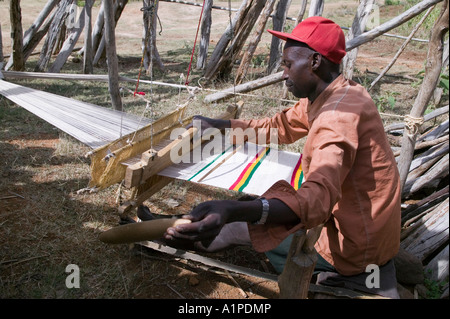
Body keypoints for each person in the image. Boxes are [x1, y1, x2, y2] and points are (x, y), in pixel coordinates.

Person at [163, 16, 402, 298]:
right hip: (367, 230)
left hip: (354, 246)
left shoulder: (338, 116)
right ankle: (176, 223)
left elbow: (317, 199)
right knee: (253, 206)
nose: (283, 74)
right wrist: (222, 126)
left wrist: (232, 211)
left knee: (238, 226)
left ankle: (176, 234)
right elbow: (280, 127)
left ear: (314, 61)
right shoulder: (336, 94)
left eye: (288, 64)